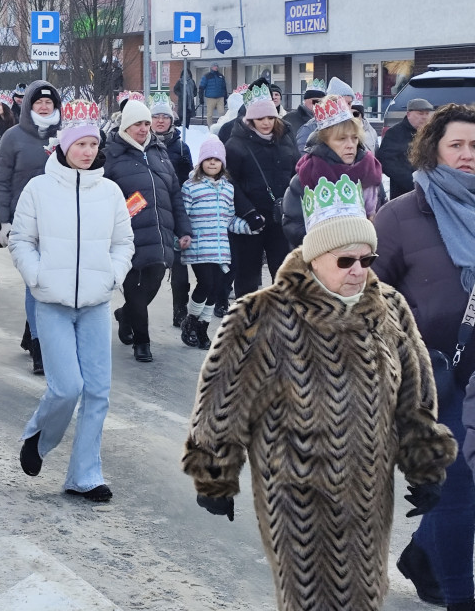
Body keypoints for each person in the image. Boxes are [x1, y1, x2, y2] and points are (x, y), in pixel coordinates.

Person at [184, 172, 457, 611]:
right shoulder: (262, 313)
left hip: (370, 487)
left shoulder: (389, 307)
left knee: (365, 593)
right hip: (295, 487)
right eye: (345, 261)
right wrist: (215, 473)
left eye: (367, 261)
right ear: (314, 259)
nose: (358, 272)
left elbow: (414, 396)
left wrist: (425, 464)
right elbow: (224, 399)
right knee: (311, 597)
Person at [374, 103, 475, 610]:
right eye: (456, 145)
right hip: (434, 373)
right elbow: (368, 295)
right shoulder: (401, 215)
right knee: (459, 487)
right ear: (432, 149)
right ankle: (462, 596)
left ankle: (420, 554)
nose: (467, 155)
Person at [11, 98, 134, 503]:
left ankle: (85, 474)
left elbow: (123, 243)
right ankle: (37, 436)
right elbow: (21, 241)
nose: (87, 151)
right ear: (63, 145)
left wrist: (113, 276)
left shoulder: (111, 192)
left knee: (98, 391)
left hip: (96, 303)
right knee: (67, 388)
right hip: (52, 303)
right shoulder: (39, 189)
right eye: (79, 144)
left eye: (93, 144)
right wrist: (37, 276)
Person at [104, 97, 192, 363]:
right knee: (133, 286)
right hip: (126, 235)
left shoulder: (160, 151)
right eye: (137, 124)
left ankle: (126, 315)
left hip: (159, 232)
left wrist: (183, 229)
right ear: (125, 127)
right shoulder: (111, 155)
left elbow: (175, 193)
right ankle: (142, 341)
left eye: (146, 123)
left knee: (152, 284)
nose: (143, 128)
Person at [0, 81, 63, 373]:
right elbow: (1, 182)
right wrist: (3, 221)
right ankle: (39, 346)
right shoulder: (13, 137)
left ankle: (33, 331)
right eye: (38, 102)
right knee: (36, 282)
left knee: (53, 283)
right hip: (27, 221)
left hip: (61, 221)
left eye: (49, 103)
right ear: (28, 106)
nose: (44, 107)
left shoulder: (67, 136)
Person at [223, 85, 300, 297]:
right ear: (250, 119)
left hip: (281, 217)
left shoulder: (285, 138)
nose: (266, 123)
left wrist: (293, 204)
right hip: (251, 220)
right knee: (247, 276)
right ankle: (246, 320)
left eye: (270, 117)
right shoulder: (235, 144)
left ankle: (283, 318)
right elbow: (229, 182)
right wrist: (248, 212)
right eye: (260, 118)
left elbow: (296, 172)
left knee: (284, 274)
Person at [178, 136, 255, 348]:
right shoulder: (190, 186)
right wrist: (182, 236)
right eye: (208, 159)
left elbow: (230, 219)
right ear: (201, 162)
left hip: (220, 247)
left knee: (216, 288)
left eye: (217, 159)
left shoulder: (227, 189)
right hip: (199, 246)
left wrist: (249, 227)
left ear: (222, 163)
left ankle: (202, 327)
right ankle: (190, 322)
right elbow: (183, 214)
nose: (212, 163)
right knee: (205, 284)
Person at [282, 92, 385, 248]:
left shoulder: (370, 170)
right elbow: (292, 224)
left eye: (354, 137)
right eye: (341, 139)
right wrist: (330, 243)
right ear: (326, 142)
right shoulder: (307, 173)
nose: (350, 144)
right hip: (321, 259)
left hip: (365, 258)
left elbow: (383, 214)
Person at [149, 96, 193, 327]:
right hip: (150, 210)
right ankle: (131, 313)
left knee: (179, 264)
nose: (160, 121)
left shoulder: (180, 146)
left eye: (164, 116)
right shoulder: (142, 143)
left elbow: (189, 179)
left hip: (174, 209)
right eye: (156, 116)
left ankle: (180, 309)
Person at [377, 96, 434, 199]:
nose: (424, 117)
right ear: (408, 114)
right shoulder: (395, 133)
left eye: (427, 114)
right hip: (403, 193)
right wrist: (411, 182)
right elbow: (387, 161)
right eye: (420, 113)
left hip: (431, 191)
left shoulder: (431, 134)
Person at [282, 79, 325, 147]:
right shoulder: (289, 119)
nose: (318, 105)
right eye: (315, 101)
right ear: (305, 100)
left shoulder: (326, 120)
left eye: (322, 102)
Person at [198, 63, 228, 128]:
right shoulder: (207, 76)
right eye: (214, 66)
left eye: (217, 66)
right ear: (211, 67)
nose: (216, 67)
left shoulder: (221, 76)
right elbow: (201, 87)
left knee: (222, 113)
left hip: (220, 97)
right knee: (209, 114)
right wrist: (201, 98)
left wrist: (225, 97)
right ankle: (210, 127)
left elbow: (224, 87)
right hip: (210, 98)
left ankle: (222, 127)